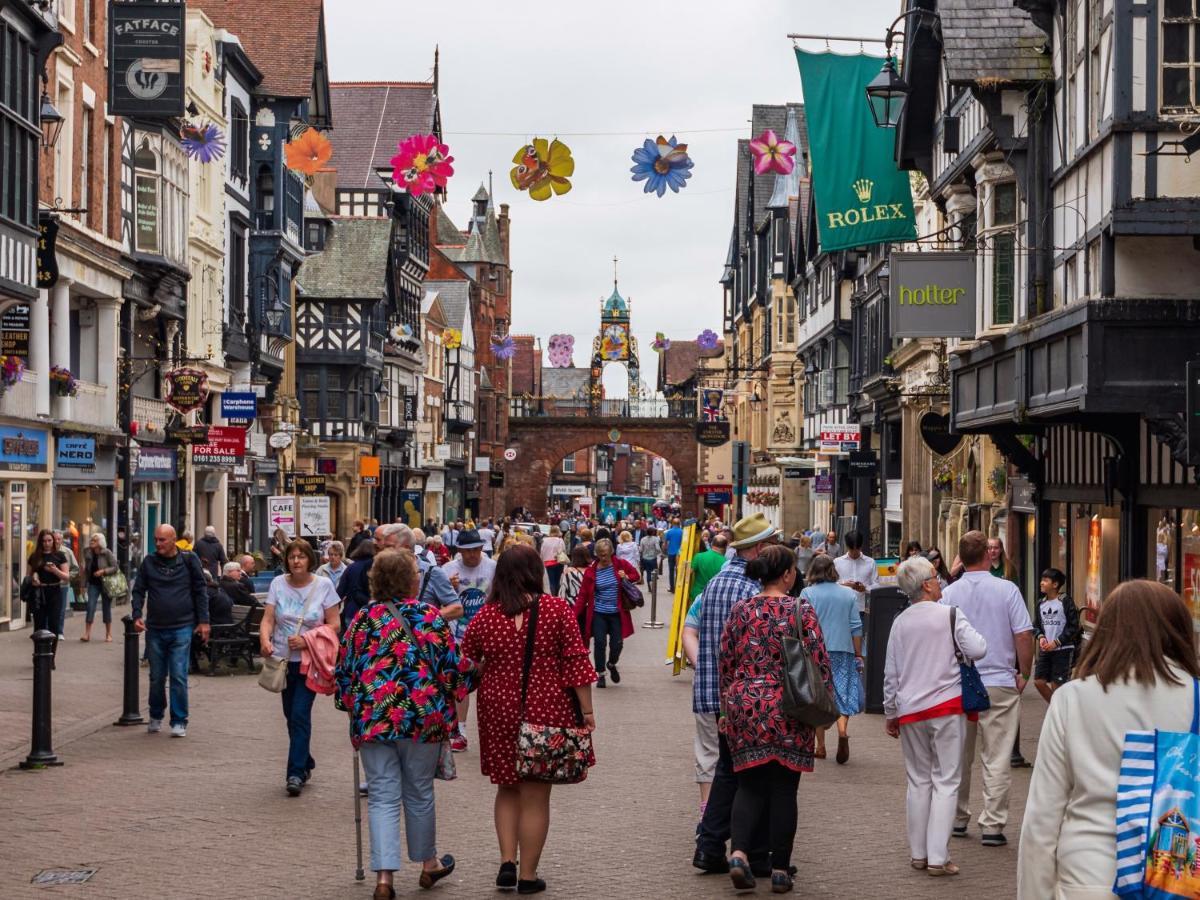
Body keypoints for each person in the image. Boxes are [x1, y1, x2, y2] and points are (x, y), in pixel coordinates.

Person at [1018, 582, 1200, 899]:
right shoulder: (1195, 697)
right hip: (1172, 881)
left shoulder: (1072, 699)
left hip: (1086, 876)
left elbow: (1042, 819)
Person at [334, 549, 474, 898]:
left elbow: (345, 672)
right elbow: (451, 668)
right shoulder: (429, 616)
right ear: (411, 580)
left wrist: (352, 708)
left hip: (374, 719)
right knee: (419, 792)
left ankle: (384, 878)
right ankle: (428, 864)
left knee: (382, 796)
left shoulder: (362, 620)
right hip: (421, 718)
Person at [461, 544, 597, 895]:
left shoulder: (488, 615)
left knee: (507, 787)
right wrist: (587, 711)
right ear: (536, 572)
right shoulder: (556, 610)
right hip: (546, 707)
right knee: (536, 795)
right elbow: (576, 662)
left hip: (498, 709)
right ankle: (528, 875)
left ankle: (507, 862)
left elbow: (467, 660)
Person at [719, 544, 833, 893]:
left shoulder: (741, 610)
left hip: (746, 704)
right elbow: (819, 661)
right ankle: (780, 870)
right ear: (786, 575)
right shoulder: (800, 609)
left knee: (749, 786)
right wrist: (822, 709)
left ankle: (738, 853)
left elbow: (726, 659)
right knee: (785, 789)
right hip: (788, 705)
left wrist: (726, 708)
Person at [884, 555, 988, 878]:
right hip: (946, 706)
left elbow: (891, 674)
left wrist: (891, 712)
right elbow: (979, 648)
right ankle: (938, 857)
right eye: (935, 576)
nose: (939, 580)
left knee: (918, 781)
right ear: (927, 584)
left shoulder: (899, 622)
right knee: (946, 780)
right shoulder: (951, 616)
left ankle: (918, 853)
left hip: (911, 710)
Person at [692, 512, 780, 876]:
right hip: (743, 694)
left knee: (729, 770)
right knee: (750, 773)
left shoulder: (717, 582)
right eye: (771, 543)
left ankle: (710, 846)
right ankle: (750, 854)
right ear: (757, 549)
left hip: (716, 691)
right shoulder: (750, 588)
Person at [940, 530, 1034, 847]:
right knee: (997, 757)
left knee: (959, 756)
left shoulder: (949, 595)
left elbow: (941, 637)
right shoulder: (1007, 590)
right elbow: (1023, 634)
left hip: (960, 683)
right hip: (999, 682)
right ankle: (992, 825)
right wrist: (1024, 672)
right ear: (987, 555)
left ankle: (957, 817)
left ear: (961, 558)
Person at [260, 539, 341, 796]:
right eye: (292, 557)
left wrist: (307, 639)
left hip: (310, 662)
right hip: (283, 661)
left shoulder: (324, 586)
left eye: (301, 557)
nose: (296, 561)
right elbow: (268, 618)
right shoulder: (277, 584)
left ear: (310, 560)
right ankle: (305, 760)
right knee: (290, 716)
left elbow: (335, 623)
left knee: (299, 714)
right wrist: (264, 640)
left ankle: (295, 773)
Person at [131, 524, 209, 737]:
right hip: (155, 627)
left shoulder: (189, 560)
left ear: (173, 540)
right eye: (156, 539)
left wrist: (204, 621)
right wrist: (137, 614)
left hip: (182, 626)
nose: (158, 544)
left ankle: (179, 719)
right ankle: (156, 713)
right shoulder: (149, 562)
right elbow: (138, 590)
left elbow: (200, 590)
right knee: (156, 676)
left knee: (178, 675)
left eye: (162, 540)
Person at [800, 555, 863, 764]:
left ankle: (820, 746)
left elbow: (802, 624)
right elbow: (856, 626)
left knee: (819, 696)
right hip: (843, 649)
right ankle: (843, 732)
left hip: (816, 650)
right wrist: (858, 653)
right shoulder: (848, 595)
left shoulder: (807, 593)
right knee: (843, 693)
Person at [441, 528, 496, 753]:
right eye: (467, 551)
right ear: (459, 551)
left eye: (475, 550)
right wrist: (450, 589)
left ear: (482, 548)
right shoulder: (448, 570)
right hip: (457, 634)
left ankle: (492, 730)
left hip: (487, 634)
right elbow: (439, 602)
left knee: (490, 684)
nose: (472, 555)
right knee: (460, 683)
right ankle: (459, 730)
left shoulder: (492, 568)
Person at [573, 537, 640, 688]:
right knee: (600, 643)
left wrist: (626, 577)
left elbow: (636, 575)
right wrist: (573, 615)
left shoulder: (620, 564)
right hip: (598, 613)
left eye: (605, 554)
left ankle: (611, 663)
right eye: (600, 554)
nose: (603, 558)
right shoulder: (591, 572)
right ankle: (601, 673)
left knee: (617, 643)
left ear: (611, 552)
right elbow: (583, 596)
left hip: (617, 613)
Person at [681, 590, 717, 817]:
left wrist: (699, 663)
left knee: (708, 750)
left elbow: (688, 632)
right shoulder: (756, 593)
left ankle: (707, 811)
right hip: (748, 691)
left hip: (707, 685)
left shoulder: (705, 596)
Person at [1031, 568, 1081, 703]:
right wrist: (1041, 637)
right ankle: (1058, 710)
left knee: (1057, 686)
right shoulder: (1041, 603)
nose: (1041, 583)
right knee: (1038, 681)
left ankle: (1059, 713)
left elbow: (1073, 626)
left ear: (1055, 584)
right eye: (1042, 580)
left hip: (1063, 650)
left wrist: (1057, 642)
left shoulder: (1065, 601)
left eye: (1045, 580)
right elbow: (1035, 626)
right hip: (1046, 650)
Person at [29, 529, 69, 659]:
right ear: (40, 542)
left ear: (53, 541)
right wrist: (34, 578)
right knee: (39, 626)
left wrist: (55, 570)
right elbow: (28, 575)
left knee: (54, 625)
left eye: (49, 540)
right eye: (44, 541)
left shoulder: (60, 555)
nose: (47, 543)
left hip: (55, 592)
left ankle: (51, 657)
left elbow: (66, 577)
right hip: (39, 593)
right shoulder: (35, 556)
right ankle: (38, 655)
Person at [81, 532, 119, 643]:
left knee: (106, 608)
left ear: (100, 542)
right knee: (90, 607)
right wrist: (83, 585)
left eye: (95, 540)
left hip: (106, 584)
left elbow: (115, 567)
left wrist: (103, 571)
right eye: (92, 539)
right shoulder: (87, 552)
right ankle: (87, 634)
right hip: (93, 584)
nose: (92, 541)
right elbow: (85, 570)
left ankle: (109, 634)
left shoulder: (106, 552)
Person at [833, 530, 878, 618]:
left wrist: (865, 588)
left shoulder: (871, 562)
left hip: (863, 609)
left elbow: (876, 585)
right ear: (847, 546)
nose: (854, 552)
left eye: (857, 549)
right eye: (851, 549)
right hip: (842, 608)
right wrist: (843, 584)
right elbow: (830, 585)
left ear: (861, 547)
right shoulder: (837, 562)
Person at [53, 530, 78, 639]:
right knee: (50, 608)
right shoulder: (48, 551)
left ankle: (59, 632)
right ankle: (49, 630)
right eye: (55, 539)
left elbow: (75, 568)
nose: (56, 541)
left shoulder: (67, 552)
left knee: (61, 609)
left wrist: (67, 577)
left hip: (63, 585)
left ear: (62, 540)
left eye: (59, 539)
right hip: (49, 585)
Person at [690, 532, 728, 601]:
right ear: (726, 547)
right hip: (714, 597)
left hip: (697, 595)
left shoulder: (699, 556)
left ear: (712, 544)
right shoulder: (726, 563)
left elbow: (688, 573)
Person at [540, 525, 567, 595]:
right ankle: (558, 595)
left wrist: (542, 560)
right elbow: (563, 550)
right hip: (558, 562)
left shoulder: (544, 540)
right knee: (558, 580)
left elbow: (542, 552)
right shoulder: (560, 540)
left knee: (551, 581)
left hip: (548, 563)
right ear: (558, 532)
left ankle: (553, 595)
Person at [664, 518, 684, 592]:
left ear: (672, 523)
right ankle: (678, 587)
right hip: (679, 553)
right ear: (679, 524)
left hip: (671, 553)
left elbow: (665, 543)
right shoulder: (682, 532)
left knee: (671, 570)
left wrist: (665, 551)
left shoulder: (669, 532)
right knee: (679, 570)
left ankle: (672, 587)